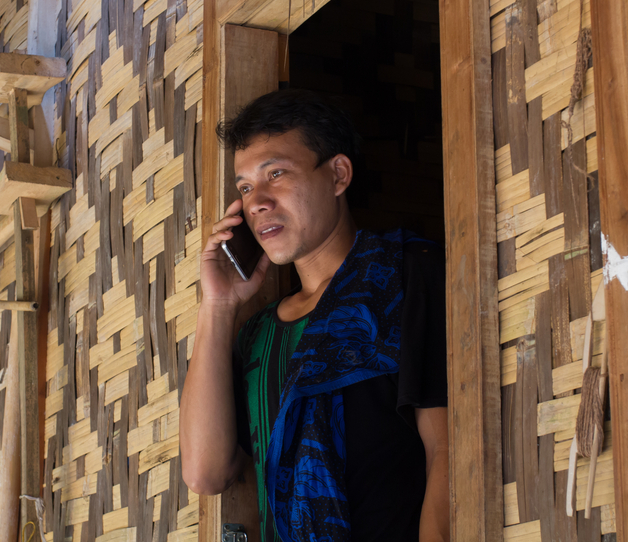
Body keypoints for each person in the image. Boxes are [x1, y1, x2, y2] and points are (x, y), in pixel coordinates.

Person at [179, 89, 449, 542]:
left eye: (276, 174)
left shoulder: (404, 276)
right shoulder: (259, 335)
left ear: (339, 174)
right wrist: (219, 305)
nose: (256, 201)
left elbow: (446, 449)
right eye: (245, 188)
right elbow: (205, 473)